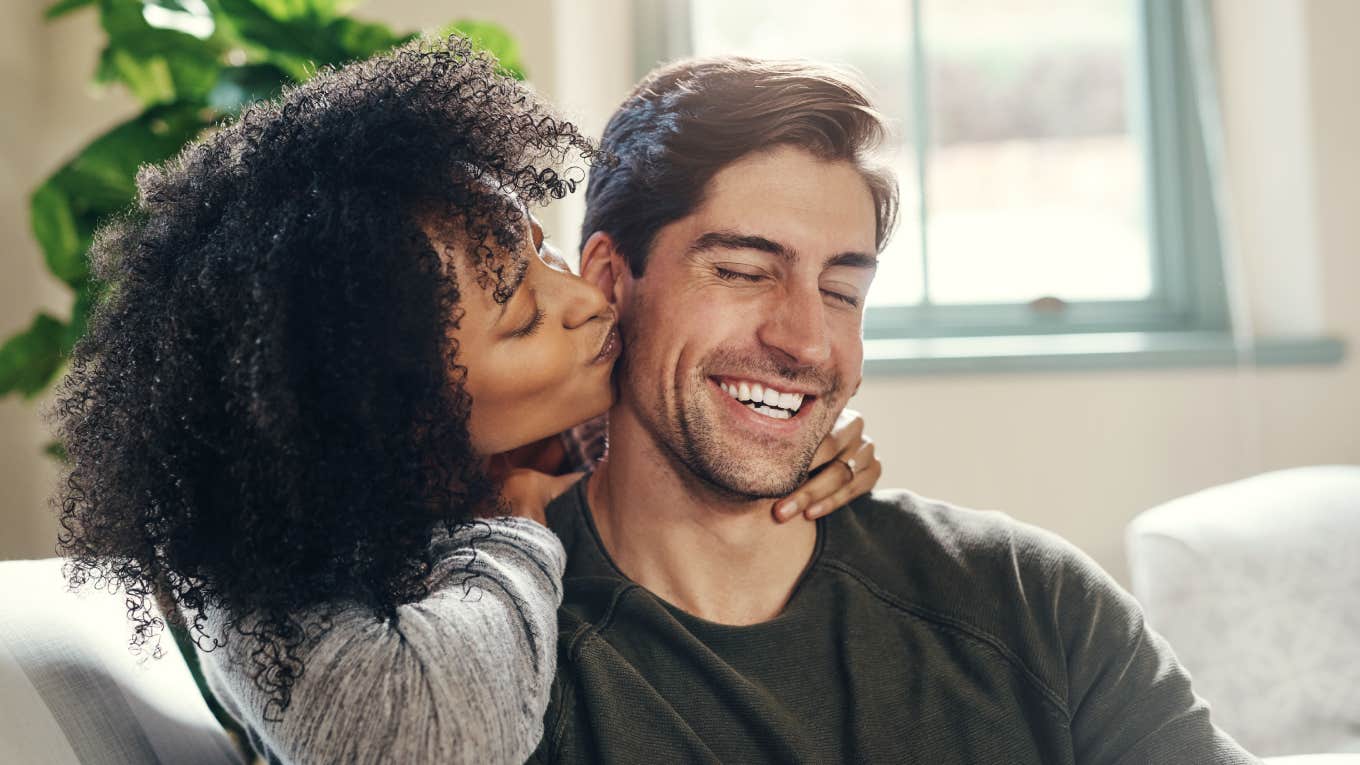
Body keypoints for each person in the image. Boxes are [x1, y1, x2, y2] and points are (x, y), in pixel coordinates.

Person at [49, 37, 879, 765]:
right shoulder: (260, 552)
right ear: (398, 417)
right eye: (523, 320)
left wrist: (773, 427)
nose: (586, 299)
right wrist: (512, 520)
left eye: (540, 249)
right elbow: (430, 741)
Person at [529, 56, 1259, 763]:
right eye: (745, 271)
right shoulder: (513, 653)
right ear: (608, 279)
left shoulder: (1026, 597)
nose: (807, 342)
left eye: (842, 291)